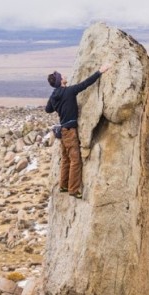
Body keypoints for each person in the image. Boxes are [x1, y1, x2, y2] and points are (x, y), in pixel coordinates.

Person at [45, 64, 110, 199]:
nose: (64, 76)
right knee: (75, 160)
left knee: (66, 159)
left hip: (62, 131)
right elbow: (85, 84)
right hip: (69, 131)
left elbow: (48, 109)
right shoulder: (68, 91)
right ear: (60, 81)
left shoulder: (54, 95)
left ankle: (63, 185)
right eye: (61, 76)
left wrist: (55, 100)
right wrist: (100, 71)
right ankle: (73, 189)